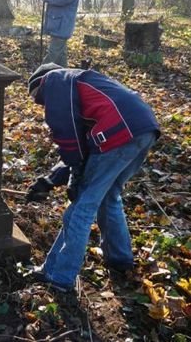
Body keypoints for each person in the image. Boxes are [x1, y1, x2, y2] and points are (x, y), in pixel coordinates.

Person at [26, 63, 160, 292]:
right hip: (143, 129)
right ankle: (119, 258)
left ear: (40, 83)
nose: (42, 104)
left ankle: (59, 276)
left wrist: (76, 177)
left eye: (38, 99)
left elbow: (68, 137)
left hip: (117, 133)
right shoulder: (79, 85)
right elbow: (80, 147)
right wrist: (51, 180)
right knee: (108, 196)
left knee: (81, 208)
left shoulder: (55, 80)